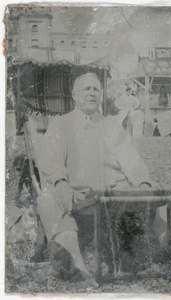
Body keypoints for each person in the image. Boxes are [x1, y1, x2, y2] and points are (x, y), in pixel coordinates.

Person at [37, 73, 154, 282]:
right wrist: (61, 182)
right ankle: (72, 256)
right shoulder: (61, 124)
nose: (92, 93)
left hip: (114, 193)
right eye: (86, 89)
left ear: (101, 94)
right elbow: (52, 160)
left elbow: (131, 159)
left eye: (96, 89)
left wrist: (142, 182)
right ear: (74, 95)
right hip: (79, 194)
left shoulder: (111, 126)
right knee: (48, 198)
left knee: (154, 192)